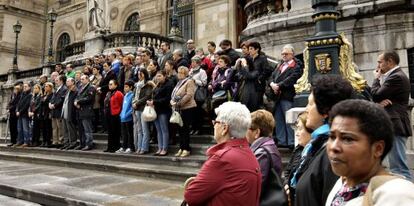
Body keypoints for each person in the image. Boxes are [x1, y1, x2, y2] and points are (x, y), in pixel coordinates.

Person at [325, 99, 414, 206]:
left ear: (378, 149)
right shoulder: (343, 183)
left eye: (347, 139)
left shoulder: (397, 196)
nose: (334, 147)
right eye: (332, 137)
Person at [184, 102, 261, 206]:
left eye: (215, 122)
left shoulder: (222, 158)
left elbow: (191, 197)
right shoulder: (248, 152)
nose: (214, 125)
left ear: (224, 128)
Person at [294, 75, 353, 206]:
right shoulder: (316, 146)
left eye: (310, 104)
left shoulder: (333, 153)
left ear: (325, 110)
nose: (306, 109)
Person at [371, 51, 412, 180]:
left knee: (399, 169)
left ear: (390, 61)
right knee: (396, 167)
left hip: (396, 124)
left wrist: (376, 79)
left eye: (380, 62)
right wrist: (379, 102)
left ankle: (406, 197)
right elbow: (379, 97)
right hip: (394, 124)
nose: (378, 66)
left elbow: (376, 94)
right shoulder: (393, 76)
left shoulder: (396, 76)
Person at [269, 44, 303, 149]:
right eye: (282, 53)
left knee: (289, 119)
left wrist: (278, 86)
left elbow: (292, 78)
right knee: (278, 119)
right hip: (277, 96)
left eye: (286, 54)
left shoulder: (296, 65)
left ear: (292, 54)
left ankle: (291, 141)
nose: (284, 55)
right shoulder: (279, 65)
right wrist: (272, 84)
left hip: (287, 95)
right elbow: (272, 76)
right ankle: (282, 140)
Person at [245, 109, 282, 200]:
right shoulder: (268, 147)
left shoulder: (262, 153)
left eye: (247, 128)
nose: (245, 132)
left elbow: (256, 187)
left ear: (257, 132)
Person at [284, 112, 312, 204]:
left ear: (311, 131)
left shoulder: (314, 154)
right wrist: (286, 184)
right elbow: (288, 170)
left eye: (300, 129)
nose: (296, 134)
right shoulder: (298, 149)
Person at [171, 66, 197, 157]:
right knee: (180, 129)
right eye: (178, 72)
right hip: (179, 109)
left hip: (187, 108)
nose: (179, 74)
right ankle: (181, 147)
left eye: (181, 73)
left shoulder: (189, 81)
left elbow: (189, 95)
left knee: (185, 129)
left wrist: (179, 103)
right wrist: (172, 101)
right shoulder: (179, 82)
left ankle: (186, 148)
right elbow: (175, 94)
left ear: (185, 74)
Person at [147, 70, 174, 156]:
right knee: (158, 130)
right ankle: (160, 147)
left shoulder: (169, 84)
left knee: (164, 129)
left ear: (164, 76)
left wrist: (154, 102)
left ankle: (164, 148)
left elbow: (167, 99)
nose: (158, 78)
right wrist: (151, 101)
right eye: (157, 76)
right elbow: (154, 95)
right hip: (156, 110)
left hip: (164, 110)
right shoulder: (158, 85)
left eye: (160, 76)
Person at [132, 69, 154, 155]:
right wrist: (134, 102)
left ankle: (144, 147)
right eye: (138, 74)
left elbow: (147, 96)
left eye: (140, 74)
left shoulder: (148, 83)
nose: (139, 75)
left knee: (145, 129)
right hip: (137, 108)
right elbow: (134, 95)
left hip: (143, 108)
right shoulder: (137, 85)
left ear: (144, 74)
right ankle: (139, 147)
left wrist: (137, 102)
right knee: (139, 129)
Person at [74, 75, 95, 151]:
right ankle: (82, 143)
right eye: (81, 79)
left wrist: (78, 102)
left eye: (83, 79)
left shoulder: (91, 87)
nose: (81, 80)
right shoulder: (80, 88)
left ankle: (89, 144)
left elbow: (89, 98)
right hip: (80, 111)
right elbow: (77, 97)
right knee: (81, 129)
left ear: (87, 79)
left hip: (86, 111)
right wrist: (76, 102)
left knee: (87, 129)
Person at [189, 56, 208, 135]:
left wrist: (195, 80)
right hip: (191, 94)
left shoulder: (202, 71)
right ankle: (193, 128)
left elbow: (204, 83)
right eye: (192, 62)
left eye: (193, 62)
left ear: (197, 63)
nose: (192, 64)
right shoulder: (191, 71)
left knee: (198, 113)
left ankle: (198, 129)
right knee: (192, 113)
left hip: (198, 94)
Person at [103, 79, 123, 153]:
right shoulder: (108, 93)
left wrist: (119, 113)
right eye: (109, 84)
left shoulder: (118, 93)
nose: (109, 85)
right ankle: (109, 147)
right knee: (110, 132)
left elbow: (121, 104)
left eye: (111, 84)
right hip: (108, 114)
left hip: (115, 115)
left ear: (116, 85)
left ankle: (116, 147)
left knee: (115, 132)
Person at [117, 81, 135, 154]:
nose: (125, 88)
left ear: (131, 87)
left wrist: (126, 114)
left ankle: (130, 147)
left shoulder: (132, 95)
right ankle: (124, 146)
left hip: (128, 118)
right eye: (124, 87)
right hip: (123, 118)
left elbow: (131, 108)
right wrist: (121, 114)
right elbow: (123, 107)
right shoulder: (125, 96)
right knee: (124, 133)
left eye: (126, 87)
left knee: (129, 133)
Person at [49, 75, 67, 148]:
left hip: (59, 110)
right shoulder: (56, 89)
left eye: (57, 80)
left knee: (60, 127)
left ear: (61, 81)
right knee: (54, 127)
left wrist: (54, 105)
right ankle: (55, 141)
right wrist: (50, 103)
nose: (55, 82)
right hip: (53, 111)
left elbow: (61, 99)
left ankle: (60, 141)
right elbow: (53, 98)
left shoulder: (64, 89)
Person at [61, 78, 79, 150]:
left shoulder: (75, 90)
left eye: (68, 81)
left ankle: (73, 142)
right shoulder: (67, 90)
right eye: (66, 81)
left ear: (73, 82)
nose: (66, 82)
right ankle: (66, 142)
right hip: (64, 111)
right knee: (65, 129)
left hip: (70, 112)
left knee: (71, 129)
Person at [16, 82, 32, 147]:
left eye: (26, 86)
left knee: (25, 128)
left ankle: (26, 141)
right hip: (19, 114)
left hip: (25, 114)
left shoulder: (30, 95)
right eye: (24, 86)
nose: (24, 88)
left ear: (29, 87)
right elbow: (19, 103)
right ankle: (20, 141)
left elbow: (27, 105)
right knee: (19, 128)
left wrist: (20, 111)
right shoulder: (23, 94)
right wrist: (17, 110)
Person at [39, 82, 53, 147]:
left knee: (48, 128)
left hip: (48, 113)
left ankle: (48, 141)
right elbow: (41, 104)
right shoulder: (44, 95)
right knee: (43, 128)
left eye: (47, 86)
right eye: (45, 86)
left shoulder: (52, 95)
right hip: (43, 113)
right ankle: (44, 141)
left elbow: (50, 103)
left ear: (50, 87)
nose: (45, 88)